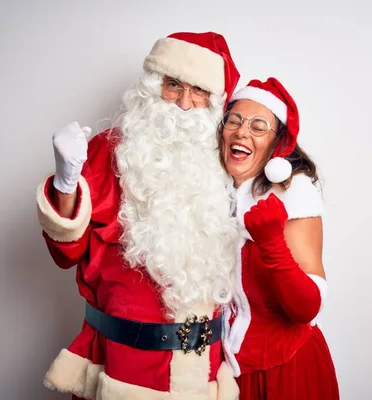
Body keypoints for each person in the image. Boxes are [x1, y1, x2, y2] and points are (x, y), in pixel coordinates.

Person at [36, 31, 242, 399]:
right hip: (124, 365)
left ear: (214, 102)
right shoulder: (109, 151)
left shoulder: (224, 164)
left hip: (206, 370)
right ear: (152, 86)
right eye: (173, 85)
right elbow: (64, 254)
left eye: (199, 91)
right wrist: (66, 182)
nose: (183, 103)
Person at [219, 78, 340, 399]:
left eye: (259, 127)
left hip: (285, 371)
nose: (242, 132)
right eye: (234, 120)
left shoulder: (294, 193)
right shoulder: (214, 189)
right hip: (226, 373)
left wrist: (272, 243)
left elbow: (308, 308)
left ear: (278, 144)